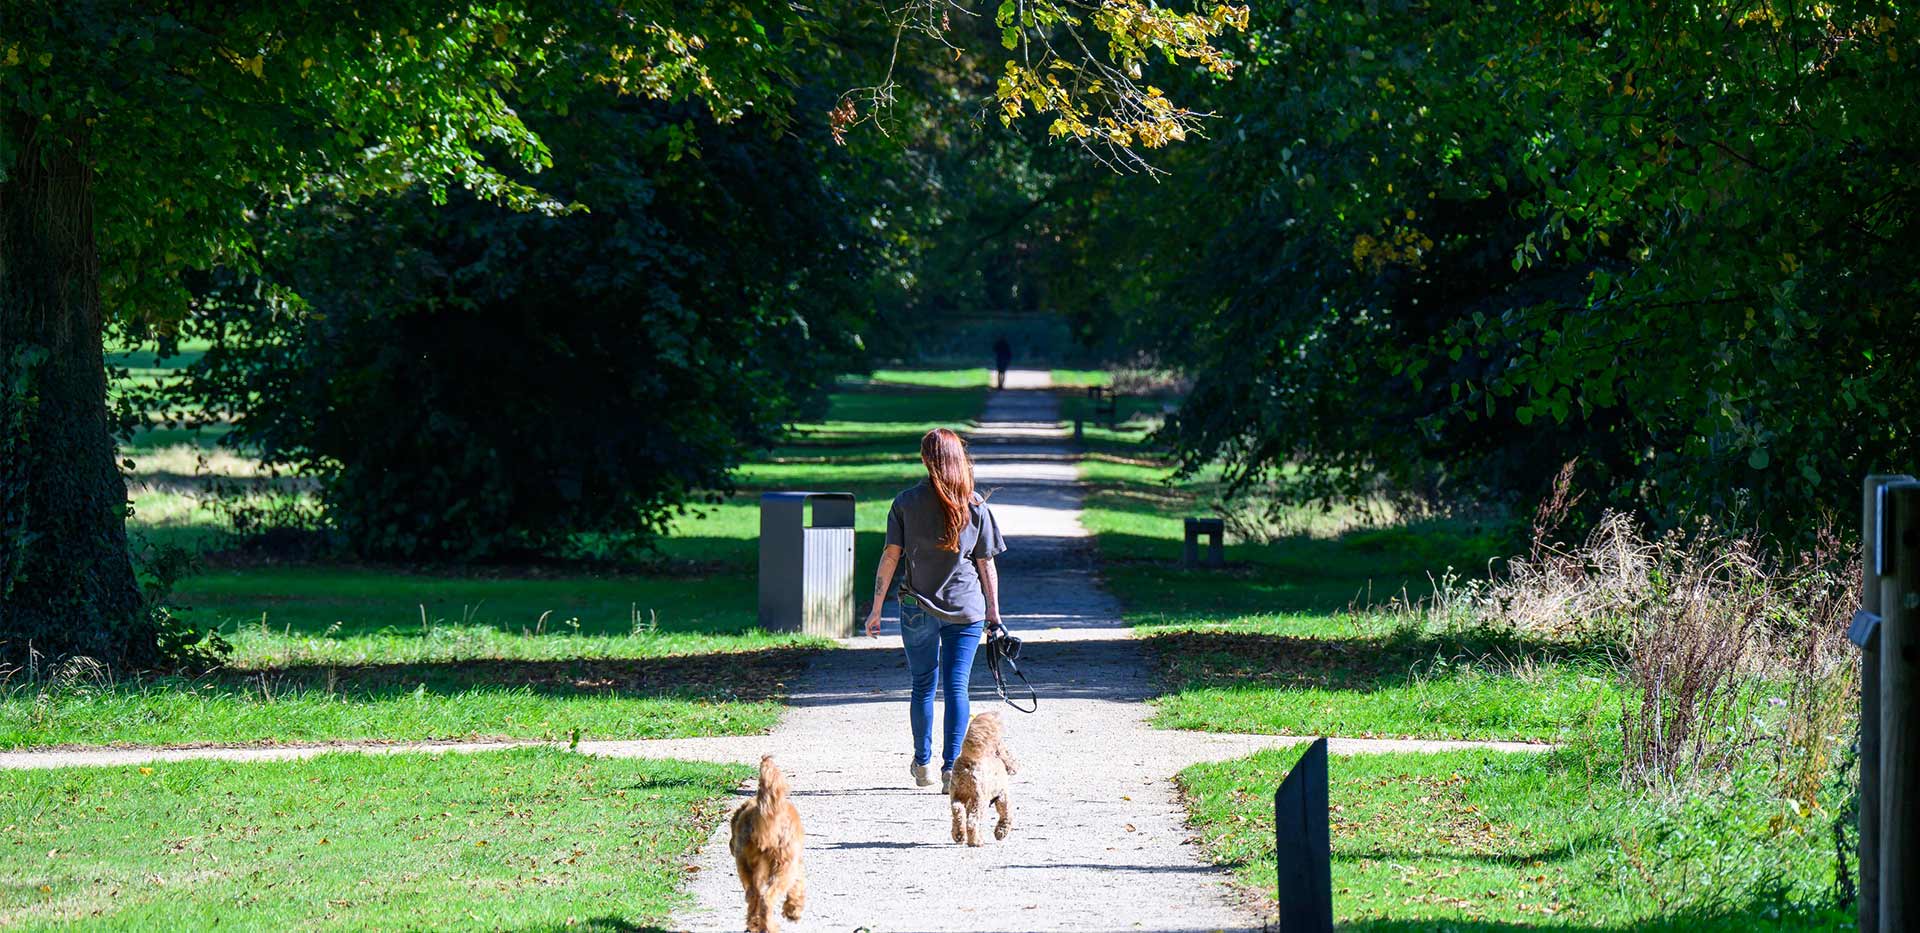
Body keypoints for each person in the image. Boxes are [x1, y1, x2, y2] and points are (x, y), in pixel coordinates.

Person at [863, 427, 1008, 792]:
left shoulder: (905, 502)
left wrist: (876, 608)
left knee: (922, 685)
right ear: (958, 458)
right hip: (966, 610)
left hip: (916, 607)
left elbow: (890, 556)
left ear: (927, 459)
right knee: (957, 686)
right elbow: (986, 564)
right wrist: (994, 615)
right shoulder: (975, 506)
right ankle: (950, 770)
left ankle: (923, 763)